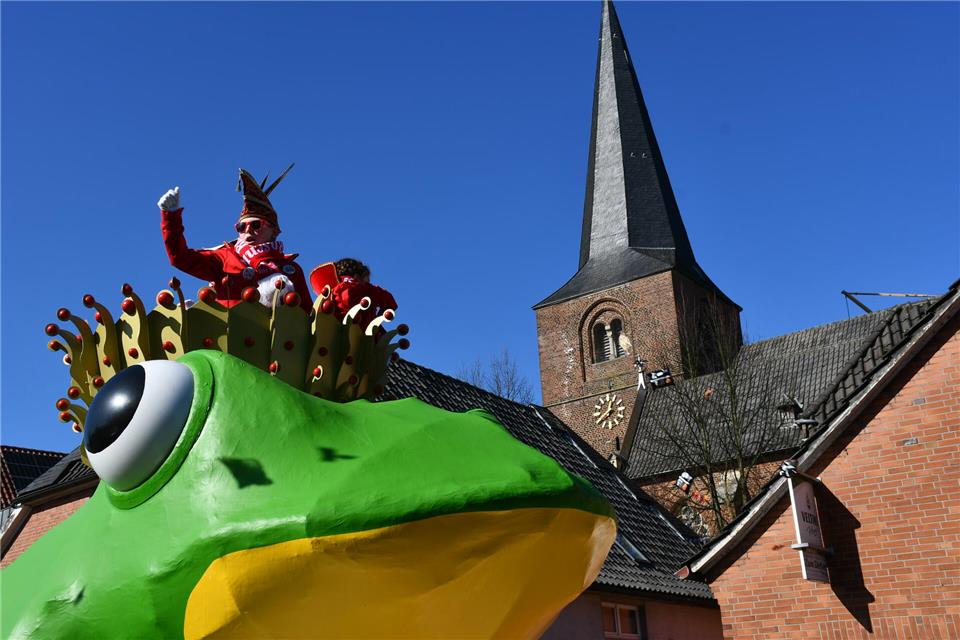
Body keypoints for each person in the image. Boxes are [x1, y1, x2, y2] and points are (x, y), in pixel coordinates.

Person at [157, 166, 312, 312]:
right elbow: (180, 258)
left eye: (256, 225)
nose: (248, 230)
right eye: (241, 227)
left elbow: (307, 316)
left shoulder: (291, 269)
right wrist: (170, 217)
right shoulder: (223, 257)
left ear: (274, 231)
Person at [310, 258, 397, 327]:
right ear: (357, 276)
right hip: (361, 340)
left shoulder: (333, 291)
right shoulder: (366, 288)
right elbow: (391, 303)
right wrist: (377, 321)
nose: (369, 282)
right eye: (367, 279)